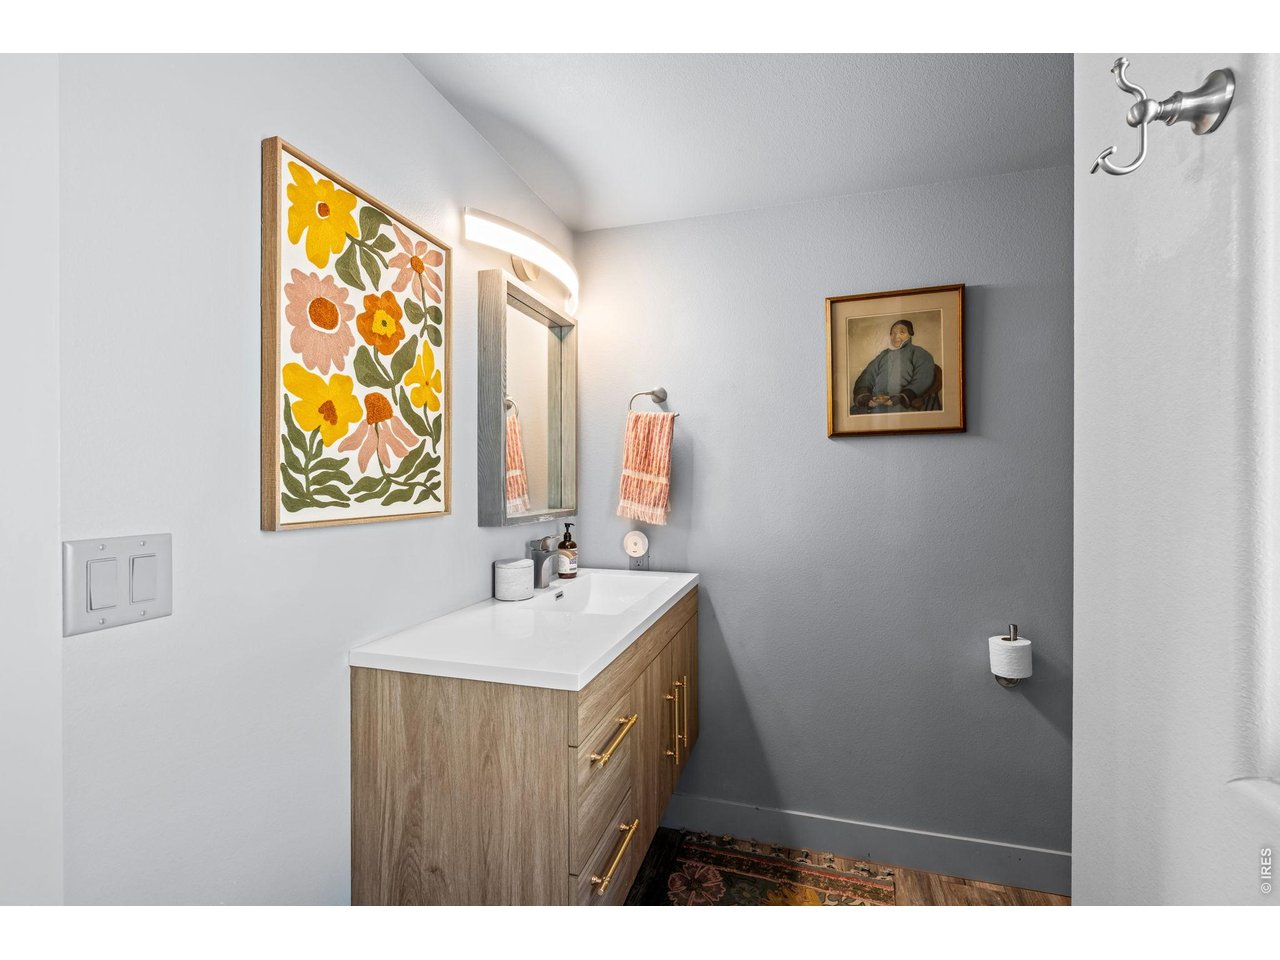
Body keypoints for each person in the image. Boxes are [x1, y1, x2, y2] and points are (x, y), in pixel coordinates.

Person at [850, 319, 936, 414]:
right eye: (893, 333)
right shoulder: (883, 355)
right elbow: (867, 376)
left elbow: (923, 378)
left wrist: (899, 398)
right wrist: (866, 398)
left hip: (901, 405)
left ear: (910, 334)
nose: (896, 336)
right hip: (874, 403)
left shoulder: (919, 353)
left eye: (902, 333)